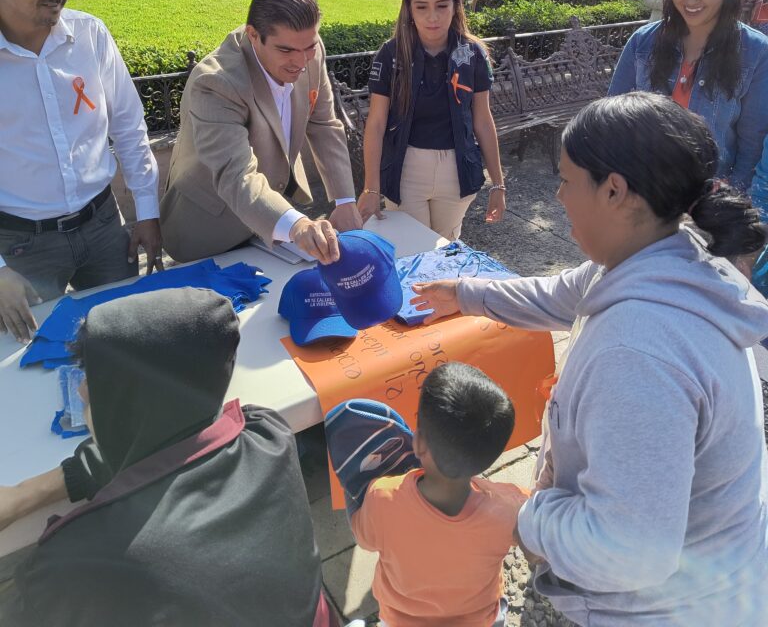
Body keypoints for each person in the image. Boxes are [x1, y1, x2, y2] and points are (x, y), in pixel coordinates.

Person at [412, 93, 768, 627]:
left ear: (615, 191)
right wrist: (464, 293)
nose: (557, 196)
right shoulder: (667, 252)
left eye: (565, 180)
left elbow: (628, 552)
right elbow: (559, 294)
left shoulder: (638, 355)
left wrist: (525, 516)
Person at [0, 288, 335, 627]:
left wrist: (22, 497)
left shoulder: (76, 560)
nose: (81, 389)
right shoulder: (267, 434)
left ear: (126, 402)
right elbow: (166, 447)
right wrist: (26, 493)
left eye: (93, 377)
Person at [0, 0, 161, 344]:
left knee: (128, 341)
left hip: (104, 227)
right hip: (21, 247)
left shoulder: (90, 36)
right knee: (30, 358)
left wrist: (147, 212)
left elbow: (129, 126)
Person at [160, 0, 362, 264]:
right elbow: (237, 175)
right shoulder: (216, 82)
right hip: (210, 231)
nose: (301, 62)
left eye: (309, 47)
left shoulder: (309, 50)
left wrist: (345, 200)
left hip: (277, 219)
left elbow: (324, 124)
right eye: (286, 50)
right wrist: (298, 225)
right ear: (253, 35)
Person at [342, 363, 525, 627]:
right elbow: (538, 525)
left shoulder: (382, 497)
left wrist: (351, 483)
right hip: (475, 620)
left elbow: (363, 538)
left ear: (418, 443)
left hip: (400, 621)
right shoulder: (510, 508)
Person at [608, 0, 768, 192]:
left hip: (709, 197)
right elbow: (614, 118)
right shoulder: (643, 42)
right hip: (644, 189)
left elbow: (753, 141)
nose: (691, 0)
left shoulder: (755, 51)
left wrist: (731, 194)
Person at [358, 0, 505, 241]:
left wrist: (498, 184)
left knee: (445, 248)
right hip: (406, 169)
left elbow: (483, 120)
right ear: (409, 9)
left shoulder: (473, 54)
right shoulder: (391, 54)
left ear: (455, 6)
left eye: (442, 6)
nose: (433, 17)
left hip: (456, 169)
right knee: (411, 247)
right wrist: (371, 188)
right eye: (421, 7)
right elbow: (376, 124)